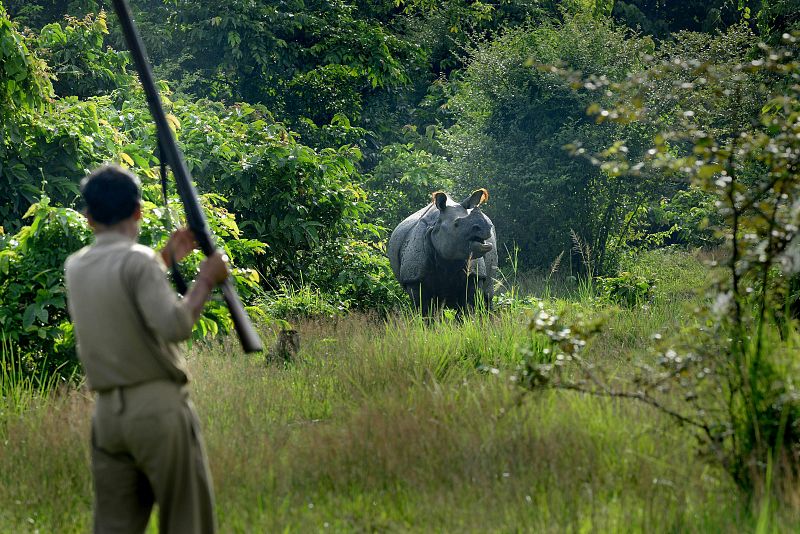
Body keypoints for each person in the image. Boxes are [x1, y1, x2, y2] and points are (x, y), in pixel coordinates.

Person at [65, 165, 228, 533]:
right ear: (138, 211)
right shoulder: (138, 261)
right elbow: (175, 326)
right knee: (187, 520)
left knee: (113, 525)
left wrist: (165, 259)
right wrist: (205, 279)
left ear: (89, 218)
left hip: (107, 416)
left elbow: (119, 286)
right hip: (156, 410)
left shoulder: (75, 266)